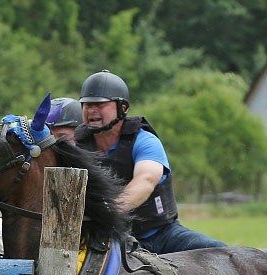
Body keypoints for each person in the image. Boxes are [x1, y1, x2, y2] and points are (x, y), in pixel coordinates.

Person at [73, 70, 224, 253]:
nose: (92, 110)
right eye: (87, 105)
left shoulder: (145, 141)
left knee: (221, 253)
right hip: (110, 238)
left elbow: (145, 180)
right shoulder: (76, 147)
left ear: (122, 108)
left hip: (164, 234)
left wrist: (109, 210)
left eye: (100, 104)